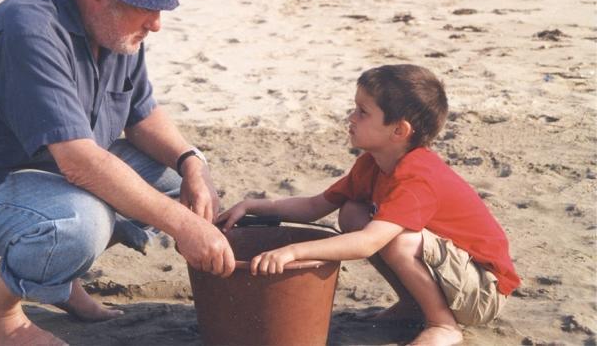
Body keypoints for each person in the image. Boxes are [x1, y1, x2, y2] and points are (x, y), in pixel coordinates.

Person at [0, 0, 235, 346]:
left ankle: (59, 280)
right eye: (147, 5)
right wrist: (184, 227)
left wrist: (192, 162)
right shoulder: (28, 29)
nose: (157, 23)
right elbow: (80, 163)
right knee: (81, 222)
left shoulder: (115, 28)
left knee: (180, 187)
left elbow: (141, 115)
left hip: (51, 175)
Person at [219, 64, 521, 346]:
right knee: (352, 212)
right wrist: (252, 205)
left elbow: (366, 244)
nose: (350, 117)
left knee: (398, 241)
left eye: (362, 112)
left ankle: (443, 325)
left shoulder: (417, 178)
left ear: (399, 131)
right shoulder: (372, 165)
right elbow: (314, 206)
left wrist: (293, 251)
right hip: (453, 278)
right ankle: (414, 305)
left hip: (482, 290)